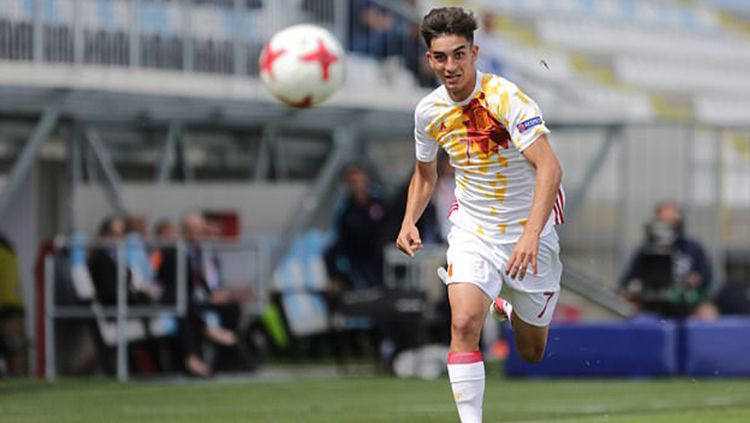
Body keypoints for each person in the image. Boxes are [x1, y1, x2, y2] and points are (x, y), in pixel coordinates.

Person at [395, 8, 564, 423]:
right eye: (440, 57)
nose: (450, 67)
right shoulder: (428, 112)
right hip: (473, 227)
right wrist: (408, 220)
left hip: (531, 234)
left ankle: (505, 306)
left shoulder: (506, 98)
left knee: (531, 352)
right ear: (429, 59)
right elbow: (425, 173)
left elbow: (550, 168)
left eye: (458, 55)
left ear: (474, 52)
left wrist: (530, 233)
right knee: (465, 320)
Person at [157, 212, 241, 376]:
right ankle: (198, 346)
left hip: (199, 298)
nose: (197, 233)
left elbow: (205, 281)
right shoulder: (175, 251)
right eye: (192, 229)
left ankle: (227, 357)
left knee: (232, 306)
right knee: (186, 308)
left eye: (199, 229)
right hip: (179, 297)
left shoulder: (201, 251)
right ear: (184, 230)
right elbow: (167, 282)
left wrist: (217, 293)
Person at [619, 201, 713, 319]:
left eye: (672, 221)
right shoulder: (645, 250)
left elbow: (707, 275)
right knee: (632, 312)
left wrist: (695, 279)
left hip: (686, 302)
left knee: (706, 314)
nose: (668, 226)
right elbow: (628, 280)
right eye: (664, 221)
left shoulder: (692, 248)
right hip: (650, 303)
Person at [0, 232, 26, 377]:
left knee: (14, 349)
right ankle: (18, 377)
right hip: (16, 304)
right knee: (15, 349)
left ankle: (17, 376)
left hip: (6, 305)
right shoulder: (8, 248)